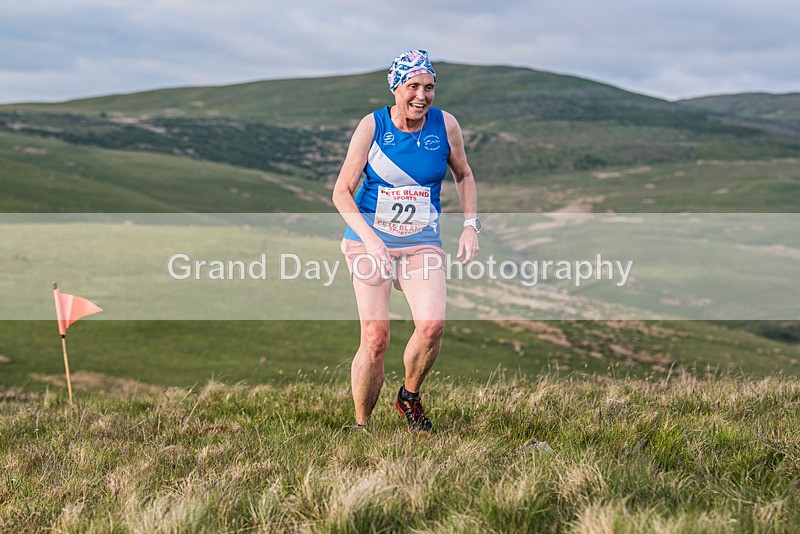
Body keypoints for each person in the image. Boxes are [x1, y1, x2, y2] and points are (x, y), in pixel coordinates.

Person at [332, 49, 480, 433]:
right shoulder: (373, 126)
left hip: (421, 240)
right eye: (413, 86)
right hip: (369, 240)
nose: (421, 95)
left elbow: (463, 175)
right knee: (376, 337)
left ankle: (409, 396)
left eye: (429, 87)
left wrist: (470, 226)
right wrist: (370, 239)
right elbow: (341, 192)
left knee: (432, 325)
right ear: (396, 87)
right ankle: (362, 425)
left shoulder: (445, 125)